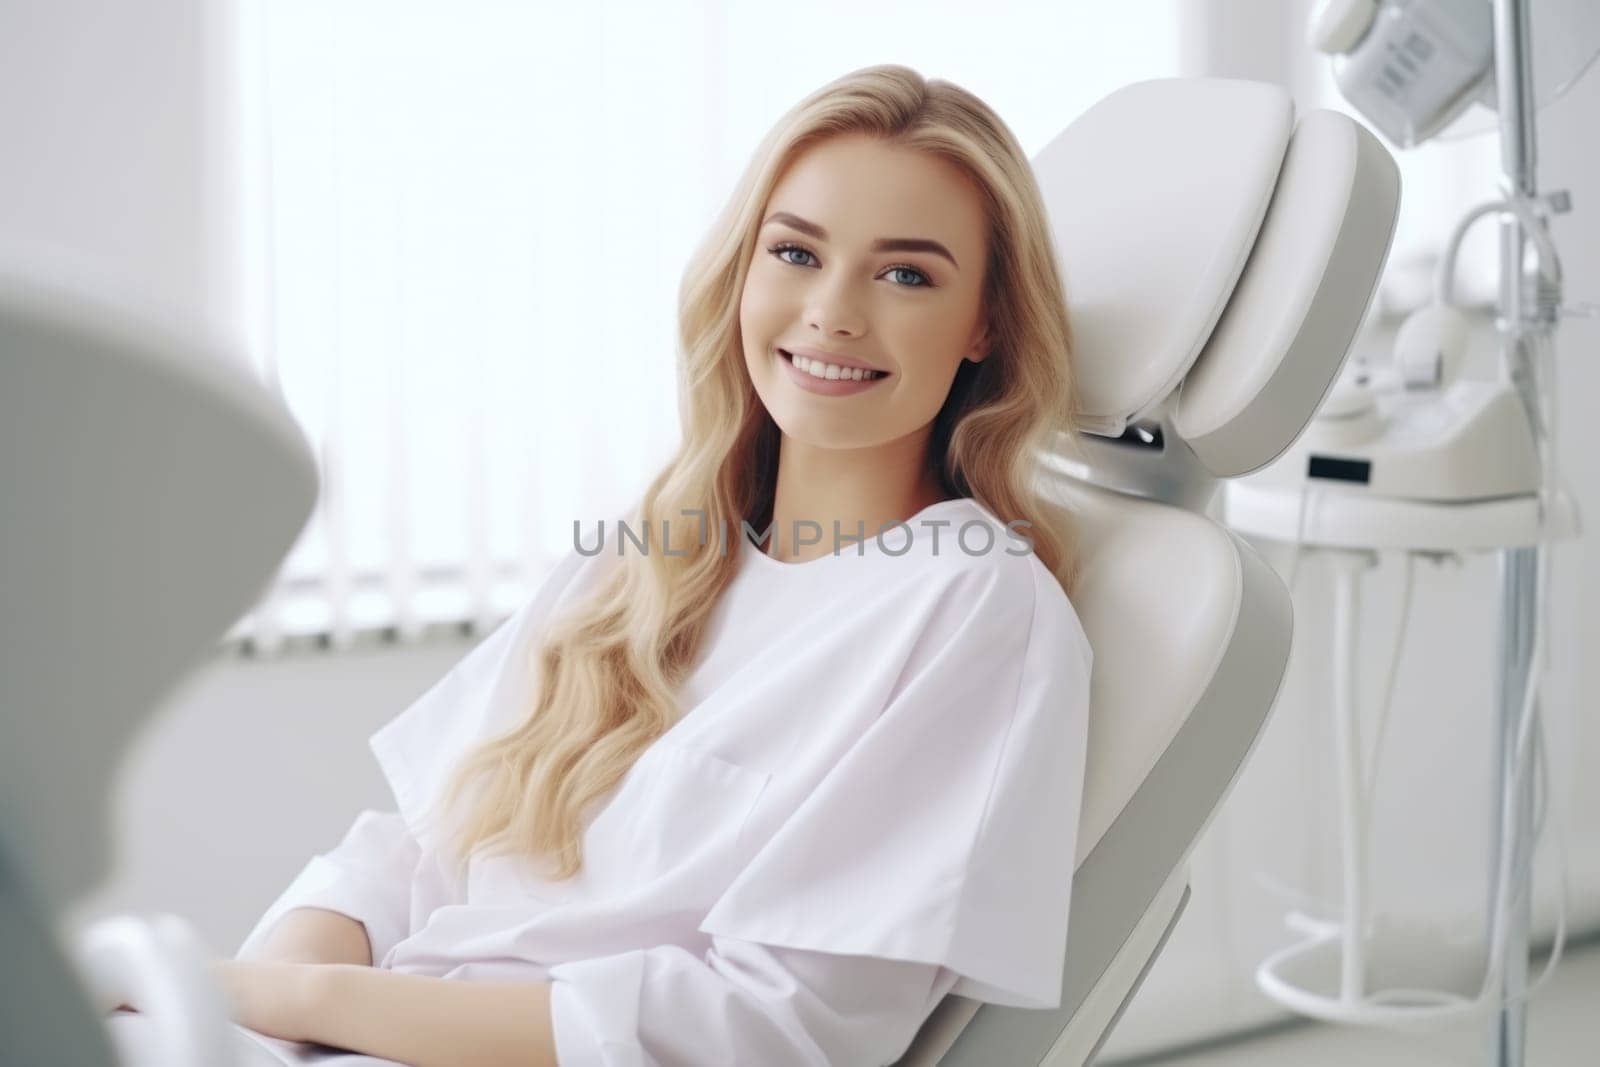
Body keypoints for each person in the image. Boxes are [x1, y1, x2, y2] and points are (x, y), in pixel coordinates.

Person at [115, 62, 1095, 1067]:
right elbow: (418, 847)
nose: (832, 311)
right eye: (795, 251)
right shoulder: (658, 544)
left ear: (986, 320)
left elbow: (779, 1024)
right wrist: (243, 1021)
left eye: (906, 274)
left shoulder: (973, 605)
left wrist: (297, 999)